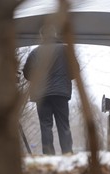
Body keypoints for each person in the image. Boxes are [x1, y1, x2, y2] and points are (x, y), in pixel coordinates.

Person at [22, 27, 74, 155]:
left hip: (41, 94)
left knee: (45, 125)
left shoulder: (34, 53)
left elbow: (27, 74)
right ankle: (67, 153)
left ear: (42, 36)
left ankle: (48, 154)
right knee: (63, 125)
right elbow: (74, 71)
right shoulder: (65, 50)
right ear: (55, 34)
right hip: (61, 93)